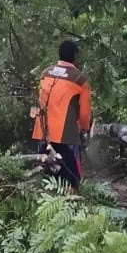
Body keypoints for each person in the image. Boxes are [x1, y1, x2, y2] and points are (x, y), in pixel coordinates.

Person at [30, 40, 92, 191]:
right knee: (71, 178)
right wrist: (84, 129)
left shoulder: (45, 73)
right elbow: (84, 114)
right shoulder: (80, 79)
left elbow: (41, 102)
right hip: (66, 136)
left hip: (43, 134)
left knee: (45, 175)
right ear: (75, 57)